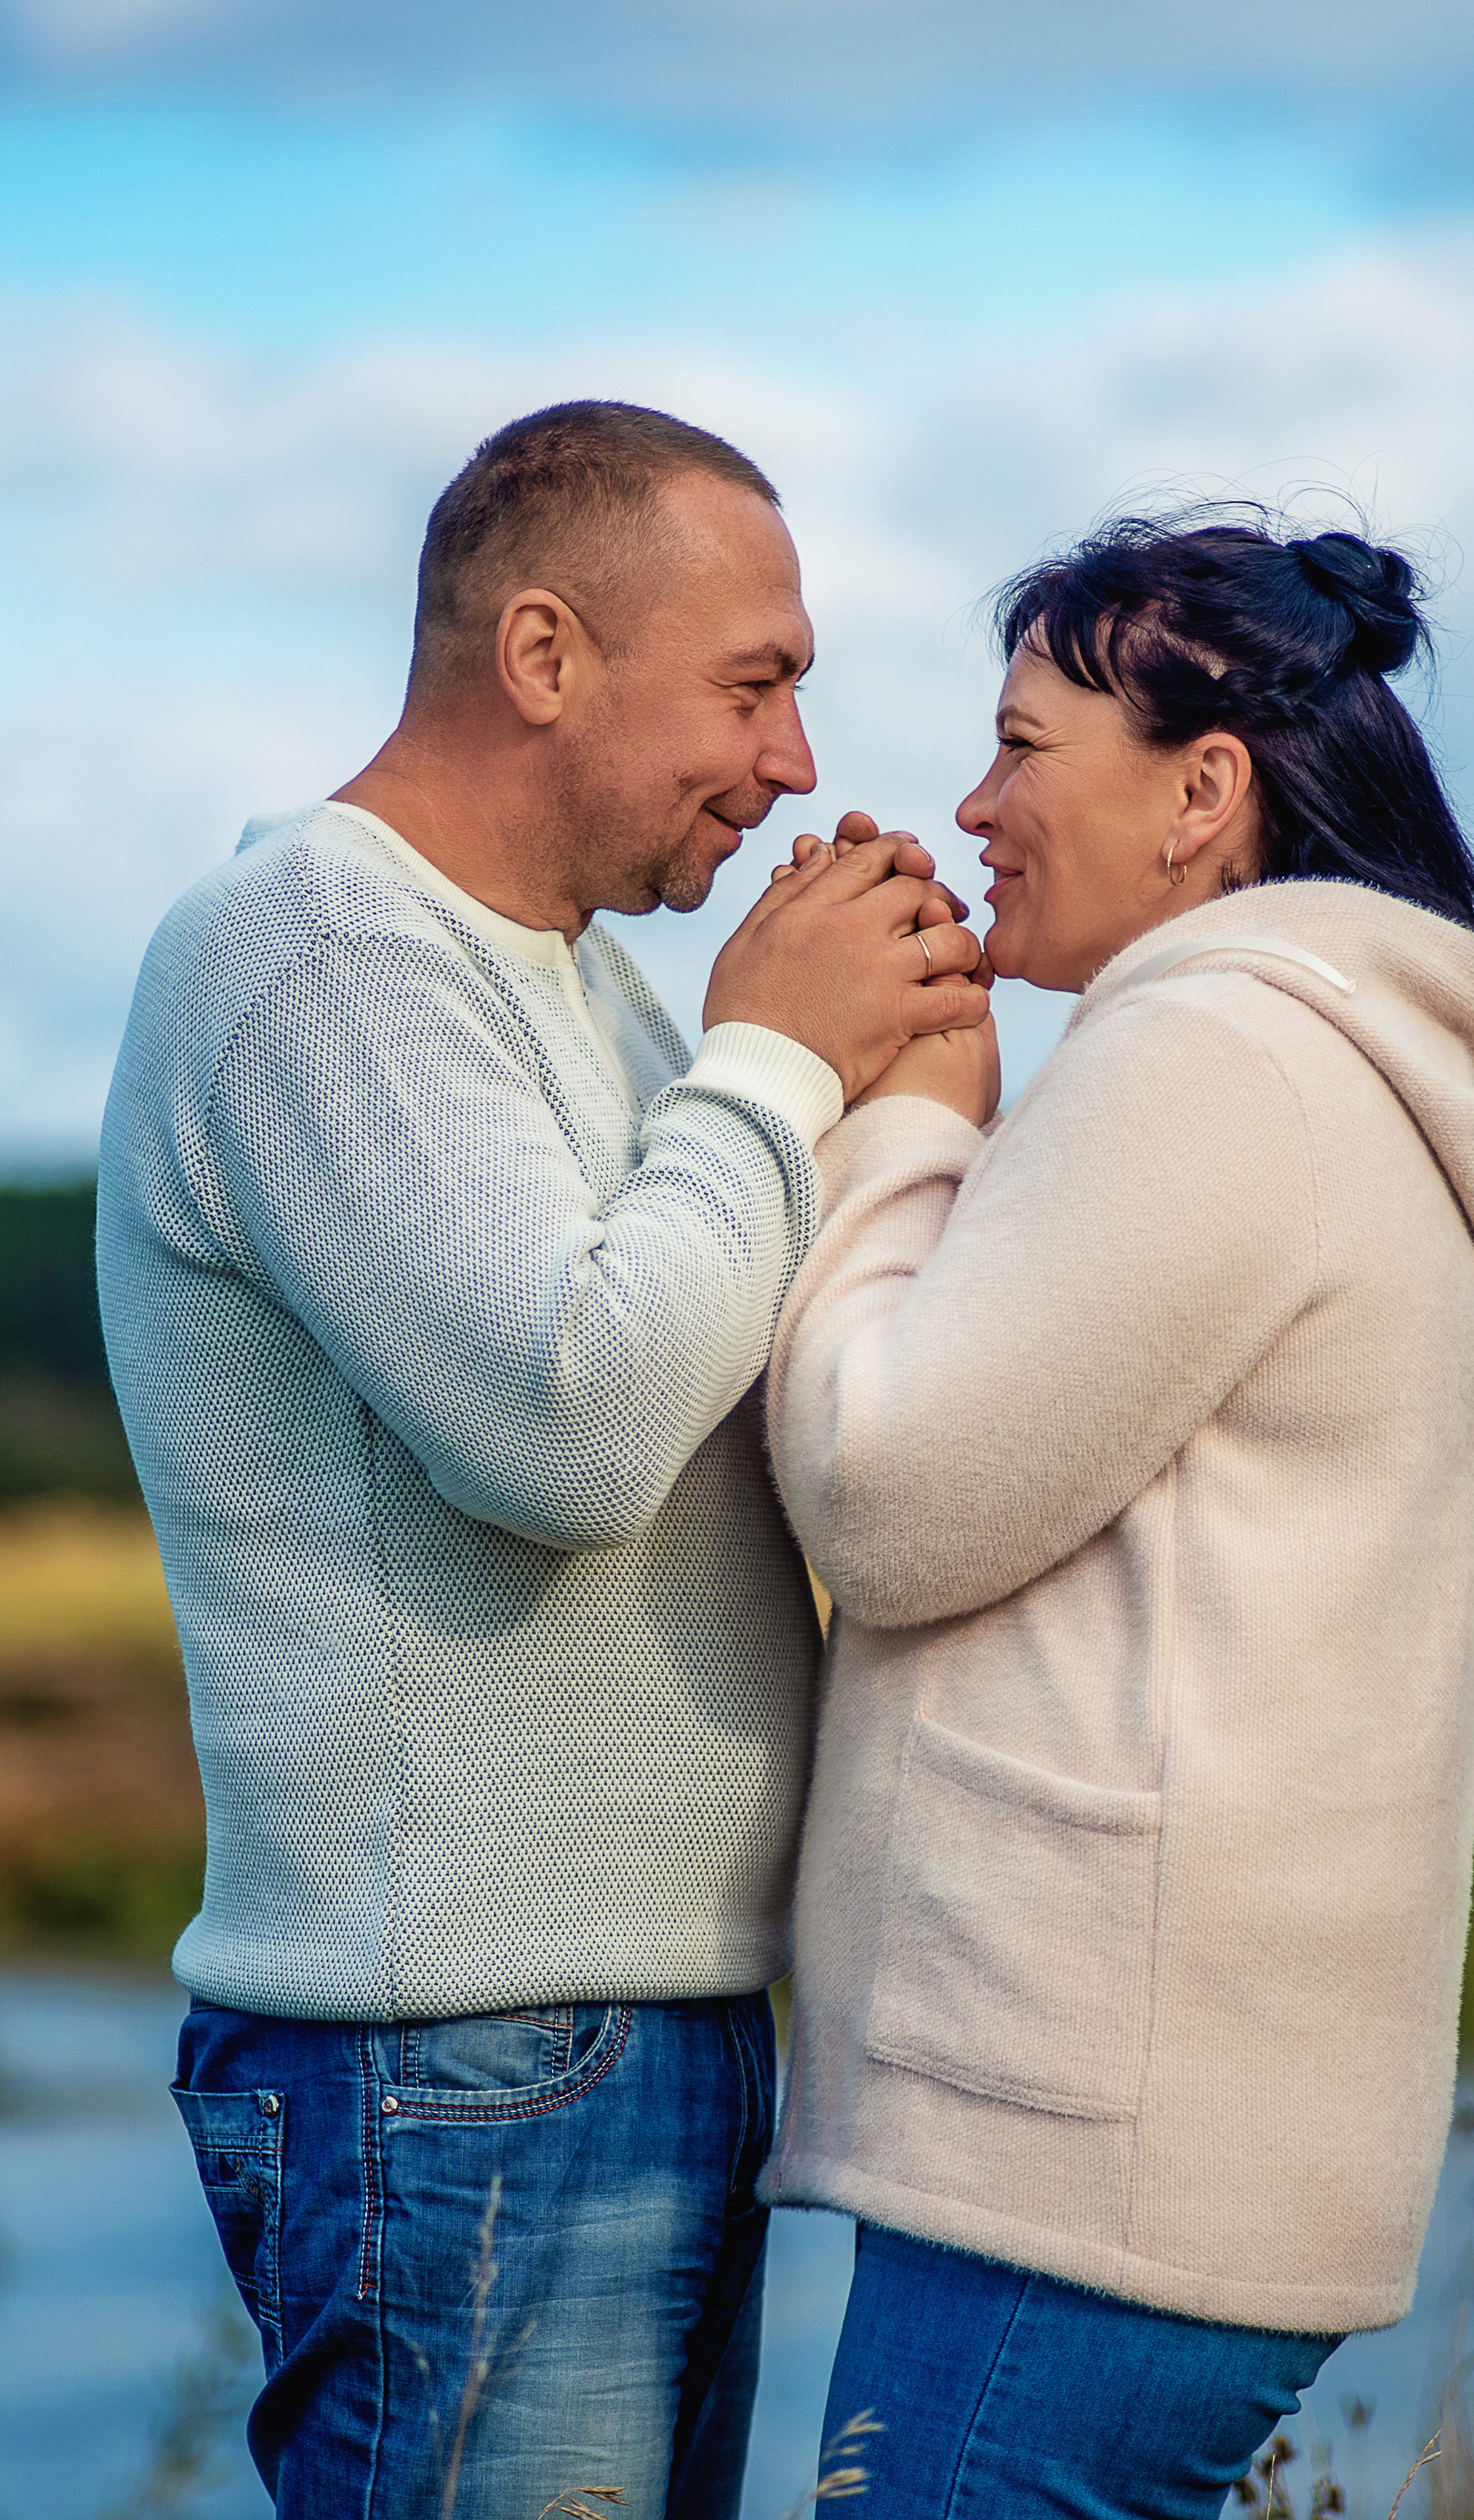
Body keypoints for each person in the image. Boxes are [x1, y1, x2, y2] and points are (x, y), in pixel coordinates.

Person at [95, 399, 987, 2520]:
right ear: (546, 654)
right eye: (755, 684)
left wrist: (903, 1081)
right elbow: (568, 1421)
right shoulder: (313, 951)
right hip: (462, 2057)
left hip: (626, 2032)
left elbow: (724, 1354)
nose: (790, 762)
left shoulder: (592, 997)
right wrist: (779, 1045)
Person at [761, 513, 1474, 2517]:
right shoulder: (1303, 1057)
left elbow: (889, 1493)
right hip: (1160, 2154)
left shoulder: (1215, 1054)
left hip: (1085, 2171)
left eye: (1024, 743)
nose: (972, 799)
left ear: (1206, 792)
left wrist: (913, 1121)